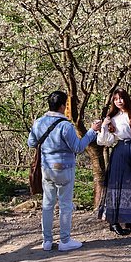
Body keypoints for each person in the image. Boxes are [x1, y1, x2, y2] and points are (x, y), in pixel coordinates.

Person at [28, 90, 101, 252]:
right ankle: (65, 241)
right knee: (65, 205)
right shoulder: (65, 126)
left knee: (47, 205)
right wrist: (92, 131)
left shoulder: (38, 122)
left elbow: (31, 143)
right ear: (62, 106)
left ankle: (46, 241)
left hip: (46, 168)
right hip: (64, 169)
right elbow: (78, 147)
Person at [96, 88, 131, 236]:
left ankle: (130, 220)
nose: (118, 101)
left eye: (121, 98)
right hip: (120, 152)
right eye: (115, 99)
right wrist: (103, 126)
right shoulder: (112, 118)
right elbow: (105, 141)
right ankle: (114, 221)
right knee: (118, 186)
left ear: (126, 98)